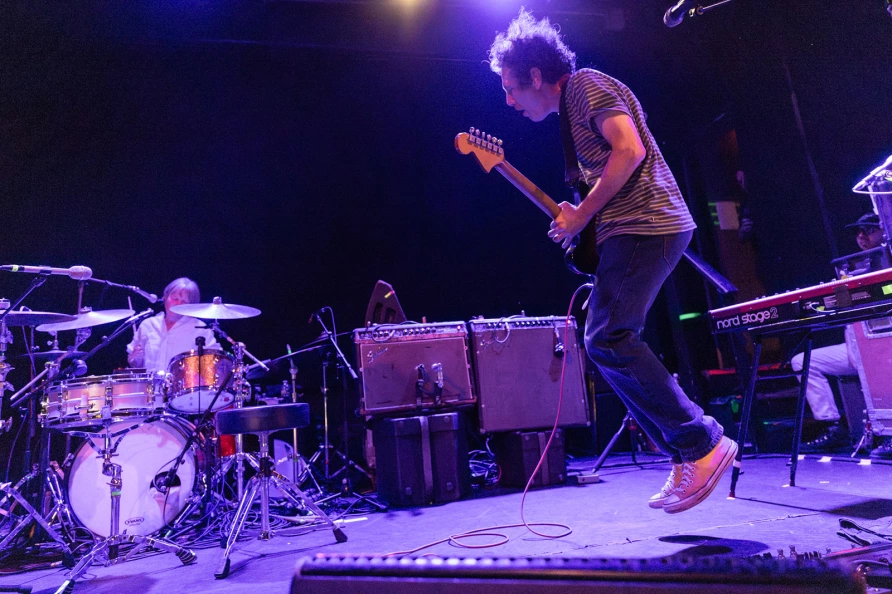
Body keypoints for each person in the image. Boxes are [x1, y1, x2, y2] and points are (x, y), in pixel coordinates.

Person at [487, 9, 736, 514]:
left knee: (607, 336)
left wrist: (583, 213)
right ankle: (687, 453)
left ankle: (702, 444)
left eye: (512, 87)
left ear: (537, 76)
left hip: (648, 223)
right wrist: (578, 224)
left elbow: (629, 149)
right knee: (603, 339)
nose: (509, 101)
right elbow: (605, 172)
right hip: (635, 228)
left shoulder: (584, 86)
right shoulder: (574, 112)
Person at [792, 212, 886, 453]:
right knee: (803, 361)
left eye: (868, 230)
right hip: (857, 347)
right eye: (858, 232)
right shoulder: (853, 268)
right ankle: (833, 426)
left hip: (885, 347)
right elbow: (847, 311)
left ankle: (888, 431)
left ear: (884, 229)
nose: (861, 237)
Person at [127, 277, 217, 374]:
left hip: (182, 387)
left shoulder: (200, 329)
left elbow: (216, 362)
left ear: (190, 306)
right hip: (149, 388)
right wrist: (134, 358)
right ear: (165, 297)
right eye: (175, 299)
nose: (178, 304)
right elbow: (136, 365)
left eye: (184, 302)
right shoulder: (148, 325)